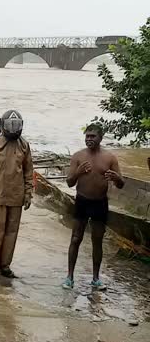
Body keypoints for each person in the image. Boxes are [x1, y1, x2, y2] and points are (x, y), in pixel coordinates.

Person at [62, 124, 124, 290]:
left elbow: (121, 184)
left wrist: (116, 178)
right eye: (87, 136)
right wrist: (78, 173)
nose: (89, 139)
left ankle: (96, 278)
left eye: (93, 136)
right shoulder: (78, 156)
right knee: (76, 238)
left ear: (100, 138)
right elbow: (69, 182)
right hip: (82, 201)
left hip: (100, 203)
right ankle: (69, 277)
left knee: (97, 240)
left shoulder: (110, 158)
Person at [0, 109, 33, 279]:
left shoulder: (24, 145)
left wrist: (28, 194)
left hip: (17, 196)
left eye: (16, 125)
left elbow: (28, 172)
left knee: (11, 232)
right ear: (4, 126)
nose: (13, 129)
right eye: (10, 125)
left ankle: (5, 266)